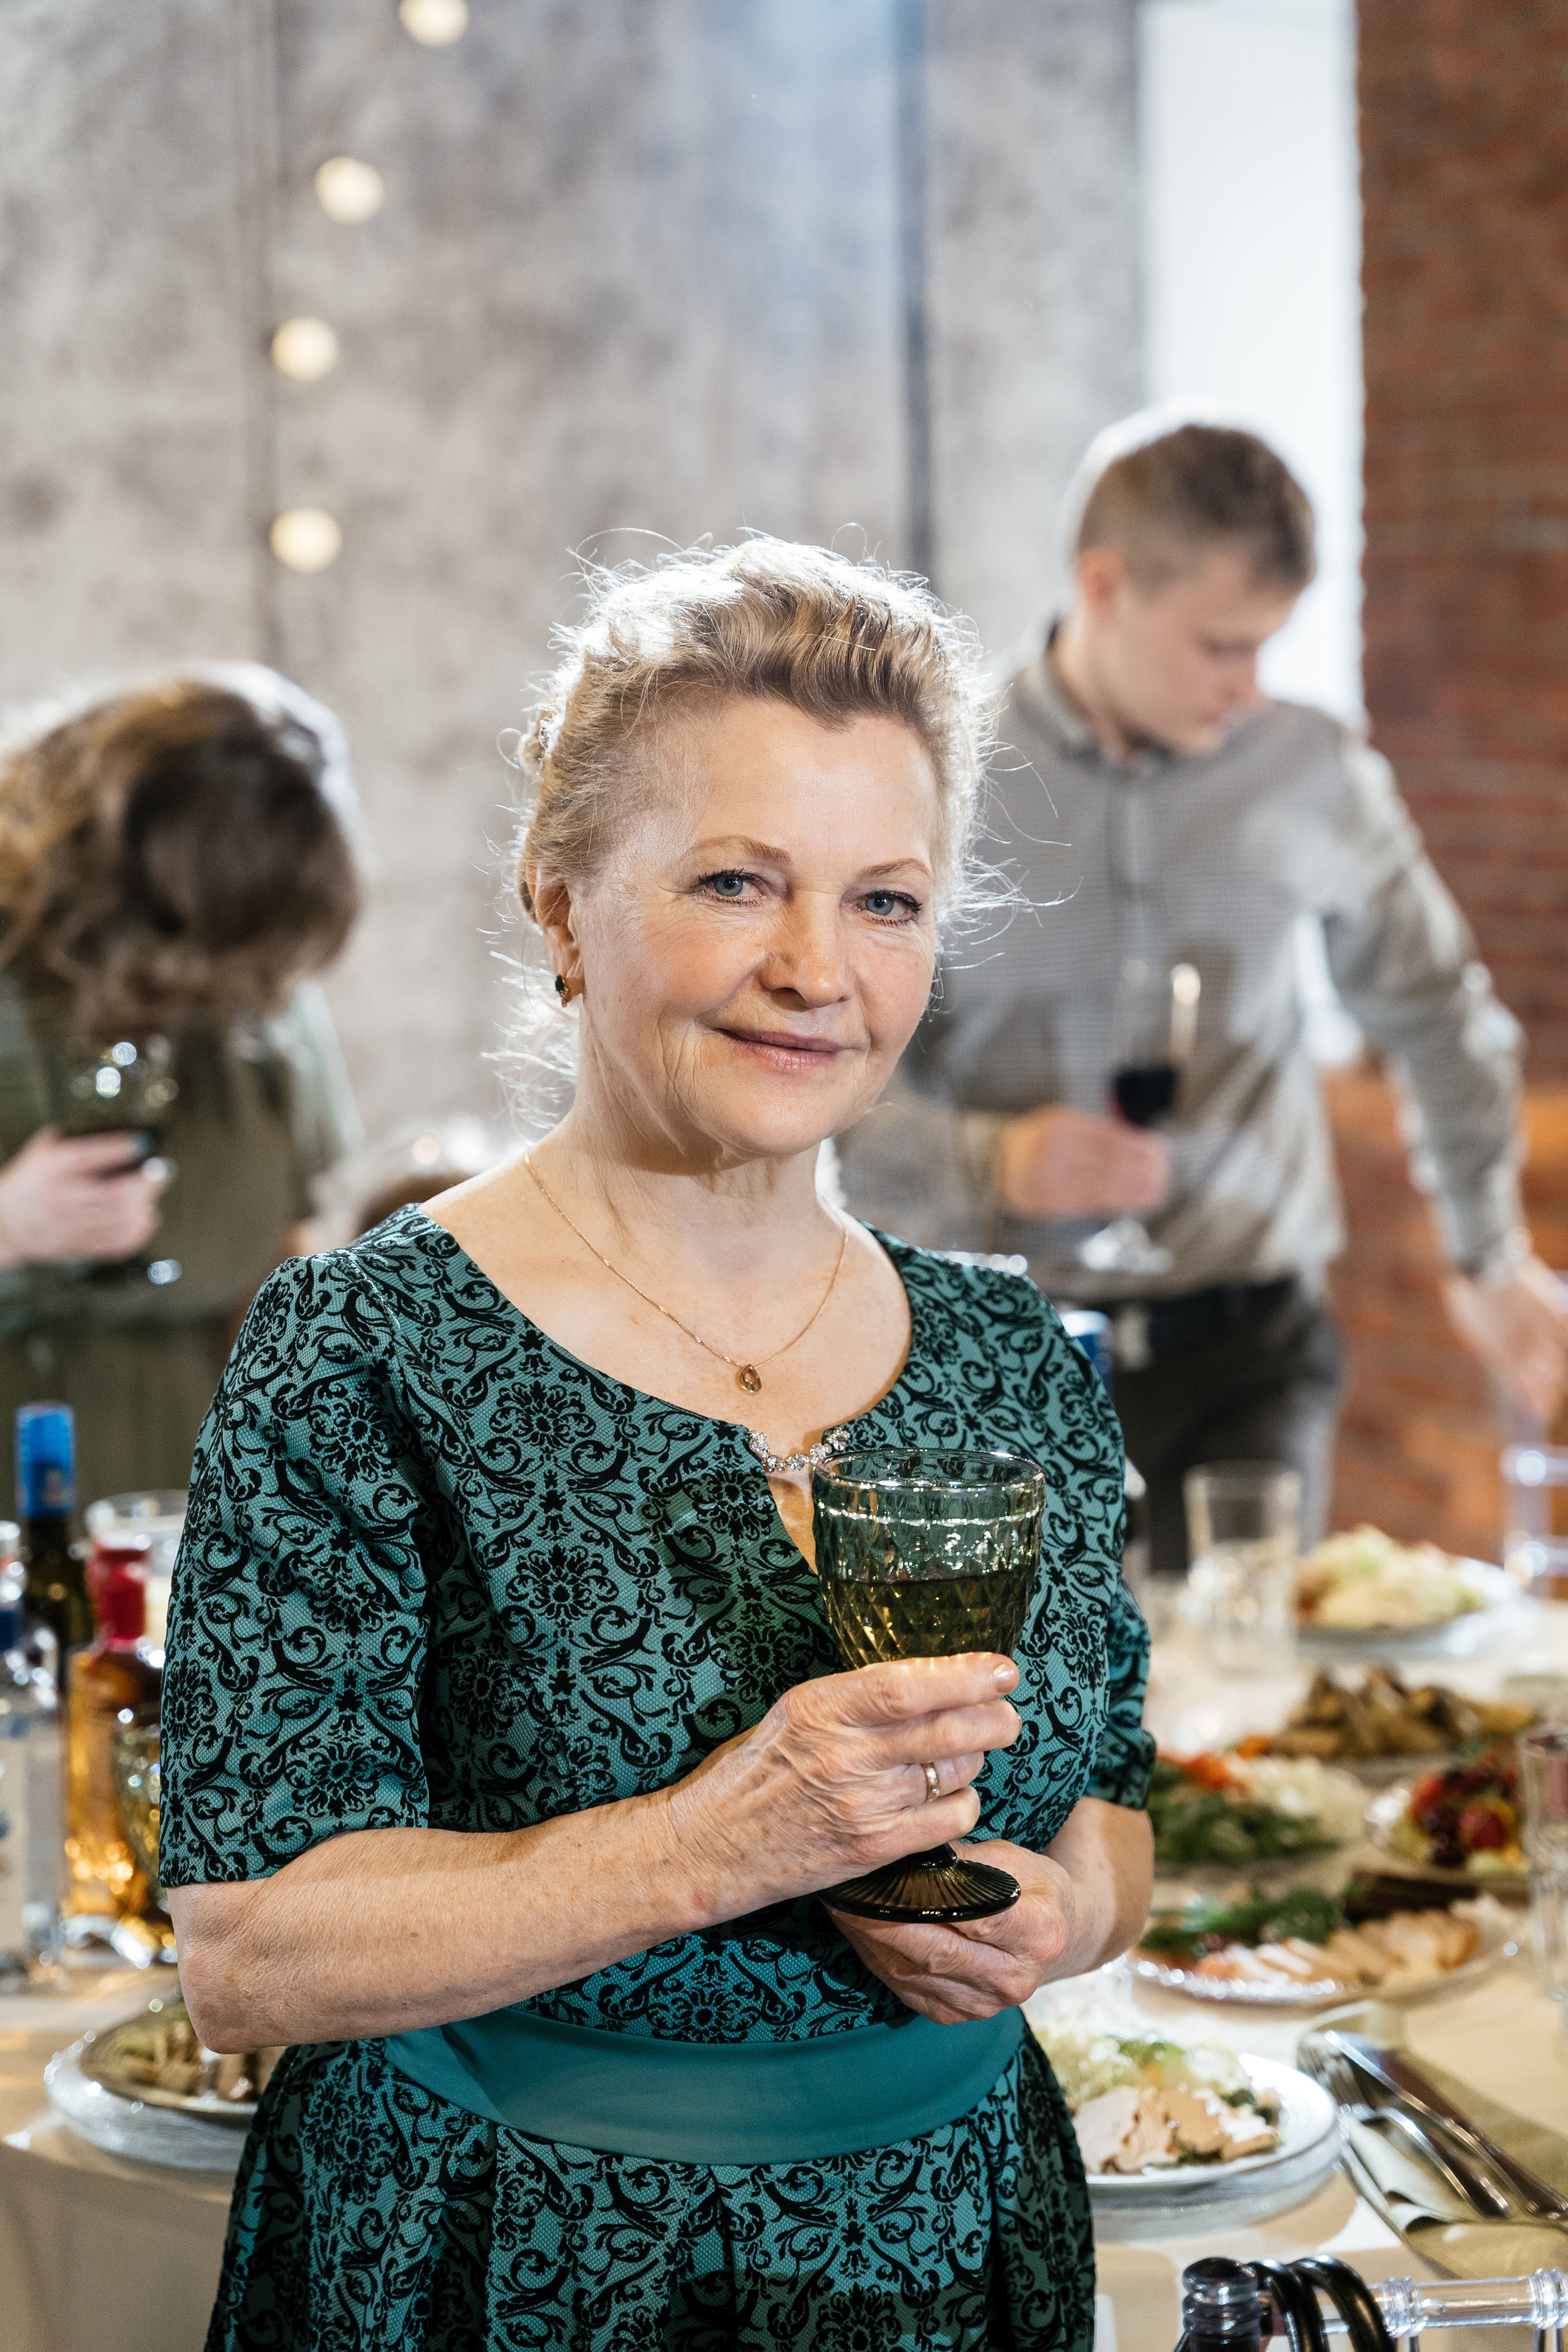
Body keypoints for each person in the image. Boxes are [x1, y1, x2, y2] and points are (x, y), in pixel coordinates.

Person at [160, 540, 1156, 2350]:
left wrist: (1064, 1912)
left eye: (885, 901)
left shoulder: (1011, 1352)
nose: (814, 969)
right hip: (498, 2247)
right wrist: (718, 1842)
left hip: (952, 2243)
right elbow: (248, 1954)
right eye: (734, 882)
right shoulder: (363, 1345)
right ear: (561, 906)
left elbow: (1111, 1809)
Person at [836, 420, 1568, 1579]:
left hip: (1252, 1357)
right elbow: (830, 1080)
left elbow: (1436, 1011)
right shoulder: (935, 780)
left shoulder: (1313, 771)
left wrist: (1487, 1252)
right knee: (1026, 1691)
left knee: (1251, 1677)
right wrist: (989, 1162)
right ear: (1104, 588)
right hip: (995, 1356)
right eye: (1223, 646)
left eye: (1268, 646)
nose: (1251, 687)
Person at [0, 665, 362, 1507]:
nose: (210, 985)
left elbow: (280, 1272)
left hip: (190, 1528)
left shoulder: (258, 973)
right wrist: (8, 1229)